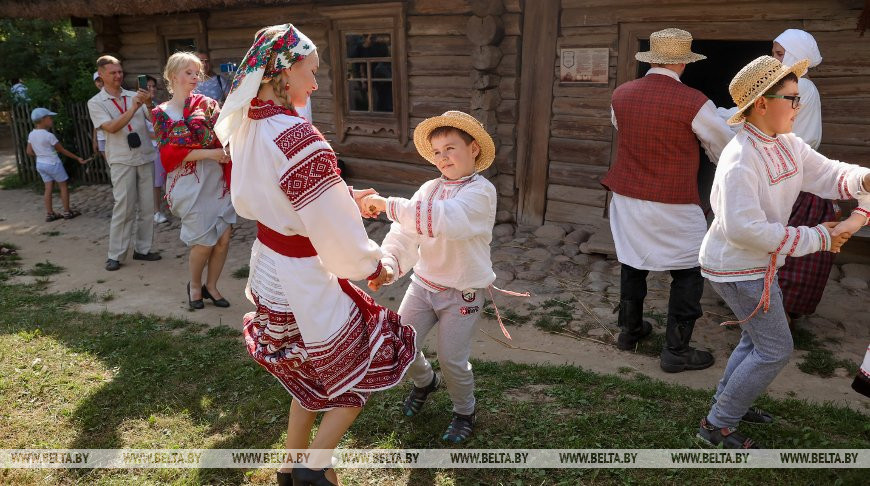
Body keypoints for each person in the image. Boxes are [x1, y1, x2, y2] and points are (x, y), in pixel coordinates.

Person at [213, 24, 416, 486]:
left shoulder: (249, 126)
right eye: (312, 71)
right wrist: (375, 265)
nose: (317, 83)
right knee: (353, 373)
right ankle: (315, 470)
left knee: (308, 372)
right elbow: (334, 233)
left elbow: (283, 195)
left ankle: (289, 467)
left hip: (271, 269)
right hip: (306, 276)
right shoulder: (299, 139)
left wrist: (341, 193)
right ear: (284, 73)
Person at [696, 55, 870, 449]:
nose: (799, 106)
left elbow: (828, 174)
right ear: (761, 103)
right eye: (791, 98)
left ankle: (729, 404)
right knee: (775, 348)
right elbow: (743, 229)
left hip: (757, 263)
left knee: (756, 340)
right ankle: (716, 425)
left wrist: (864, 178)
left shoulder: (787, 144)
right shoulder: (740, 158)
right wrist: (819, 238)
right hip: (737, 268)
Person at [601, 28, 734, 373]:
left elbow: (623, 128)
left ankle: (629, 332)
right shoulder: (695, 102)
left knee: (633, 259)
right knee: (689, 270)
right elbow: (724, 147)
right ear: (681, 61)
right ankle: (675, 350)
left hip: (628, 195)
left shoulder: (621, 94)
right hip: (673, 199)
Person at [363, 111, 498, 444]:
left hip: (462, 293)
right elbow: (406, 234)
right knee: (399, 344)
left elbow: (444, 219)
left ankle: (465, 411)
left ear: (474, 149)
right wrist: (390, 263)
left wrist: (386, 204)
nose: (443, 158)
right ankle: (425, 381)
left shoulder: (481, 193)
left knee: (452, 359)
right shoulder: (428, 188)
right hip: (423, 286)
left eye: (451, 148)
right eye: (437, 152)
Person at [152, 53, 236, 309]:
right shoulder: (160, 113)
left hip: (215, 178)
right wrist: (210, 153)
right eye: (189, 72)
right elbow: (169, 153)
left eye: (197, 73)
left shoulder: (209, 104)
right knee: (203, 241)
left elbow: (226, 132)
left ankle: (212, 285)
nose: (195, 78)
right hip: (187, 182)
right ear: (173, 76)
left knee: (223, 236)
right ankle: (195, 285)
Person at [769, 29, 836, 326]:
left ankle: (778, 318)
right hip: (790, 170)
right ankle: (778, 314)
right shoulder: (794, 85)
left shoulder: (801, 87)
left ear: (797, 56)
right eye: (774, 52)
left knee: (786, 245)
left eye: (780, 53)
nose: (774, 58)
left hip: (794, 175)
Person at [87, 55, 161, 271]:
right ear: (101, 74)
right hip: (121, 159)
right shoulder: (95, 102)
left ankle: (143, 249)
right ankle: (115, 254)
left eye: (120, 71)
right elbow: (110, 127)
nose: (118, 75)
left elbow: (156, 122)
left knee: (148, 206)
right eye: (113, 72)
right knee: (124, 207)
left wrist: (148, 103)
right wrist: (134, 108)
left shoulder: (133, 95)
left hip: (145, 155)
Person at [26, 107, 87, 221]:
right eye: (50, 118)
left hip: (40, 164)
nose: (51, 120)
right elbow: (62, 150)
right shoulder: (49, 136)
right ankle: (67, 212)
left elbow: (29, 152)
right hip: (53, 164)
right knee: (63, 186)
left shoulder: (31, 134)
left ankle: (50, 214)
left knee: (48, 188)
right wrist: (77, 158)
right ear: (43, 119)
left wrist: (41, 155)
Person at [145, 75, 169, 224]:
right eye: (149, 87)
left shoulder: (156, 104)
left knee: (165, 177)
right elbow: (143, 130)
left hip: (161, 146)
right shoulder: (139, 107)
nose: (152, 89)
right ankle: (156, 211)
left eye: (154, 86)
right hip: (151, 148)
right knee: (156, 182)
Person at [91, 72, 107, 159]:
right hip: (101, 137)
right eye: (97, 81)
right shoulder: (94, 101)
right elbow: (95, 121)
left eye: (101, 80)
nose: (100, 83)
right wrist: (95, 140)